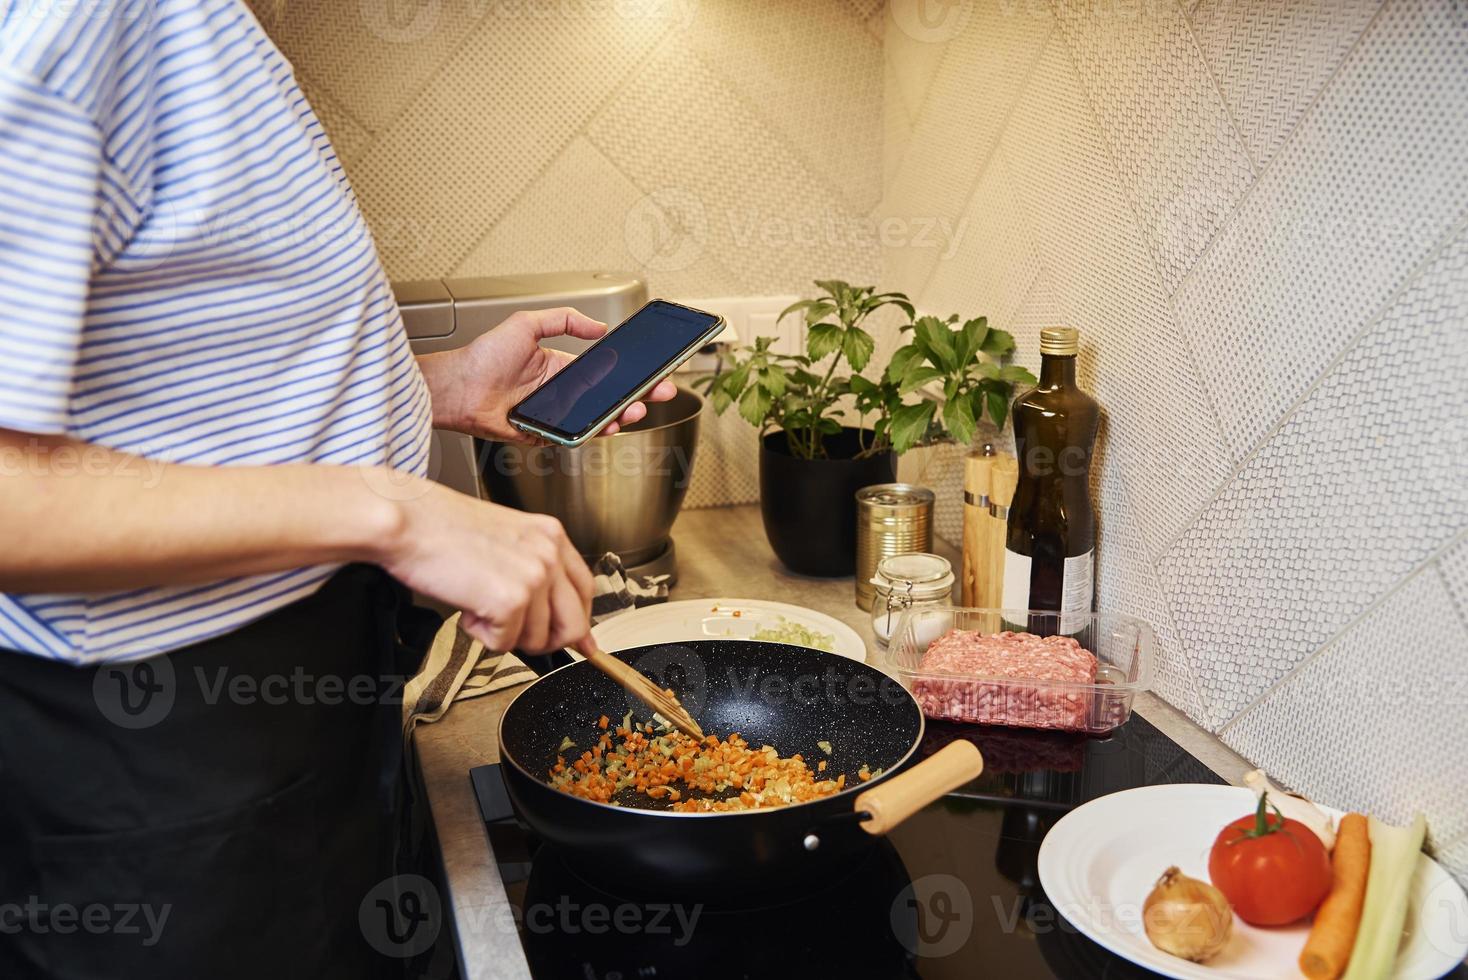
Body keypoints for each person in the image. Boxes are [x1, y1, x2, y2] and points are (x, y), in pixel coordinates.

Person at [0, 1, 674, 976]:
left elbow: (165, 359)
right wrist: (394, 514)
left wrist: (426, 384)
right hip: (169, 748)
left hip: (292, 701)